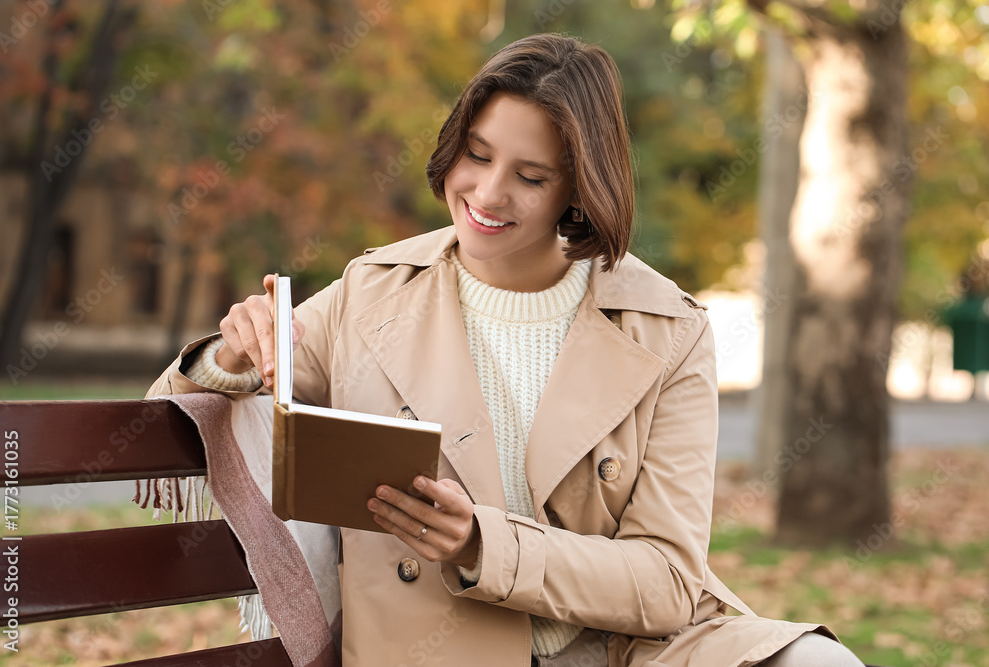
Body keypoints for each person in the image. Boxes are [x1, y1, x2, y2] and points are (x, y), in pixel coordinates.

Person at [150, 33, 866, 667]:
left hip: (628, 649)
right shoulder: (371, 294)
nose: (487, 194)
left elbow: (668, 580)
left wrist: (482, 543)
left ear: (579, 190)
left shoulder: (667, 328)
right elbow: (167, 413)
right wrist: (233, 357)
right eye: (477, 155)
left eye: (530, 177)